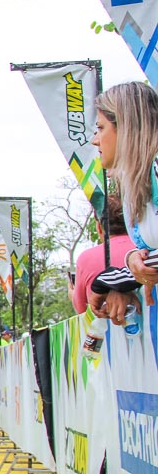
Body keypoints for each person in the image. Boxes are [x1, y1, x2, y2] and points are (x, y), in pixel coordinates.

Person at [86, 82, 158, 321]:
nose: (95, 140)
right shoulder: (135, 183)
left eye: (100, 128)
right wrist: (130, 271)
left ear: (126, 127)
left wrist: (122, 278)